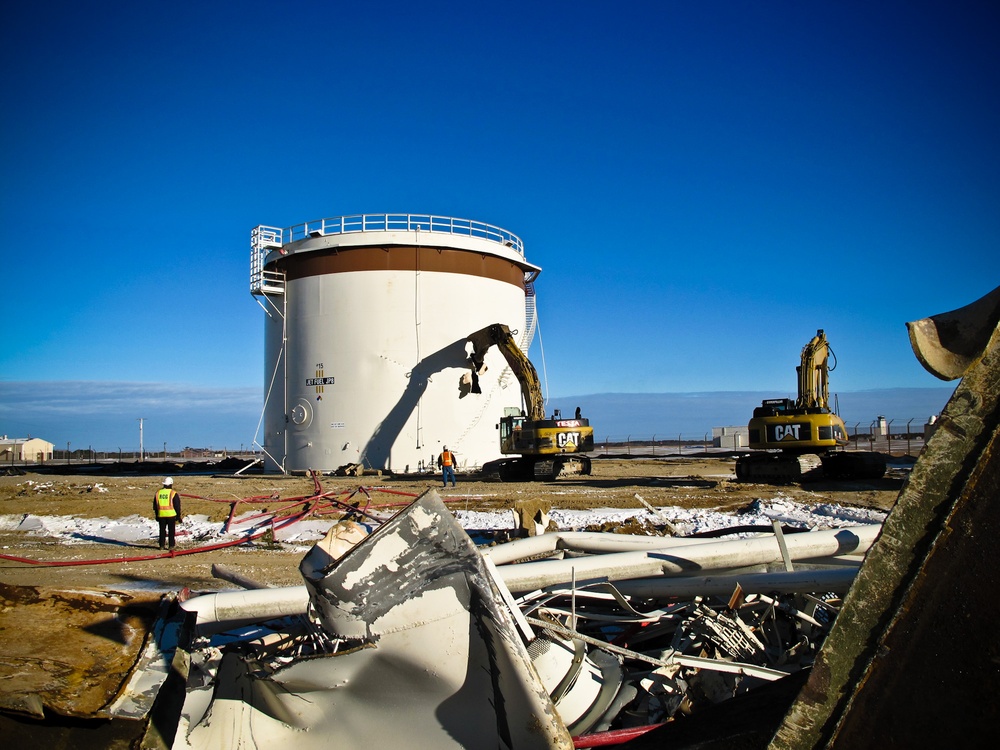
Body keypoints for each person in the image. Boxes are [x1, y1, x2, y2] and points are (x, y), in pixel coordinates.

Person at [153, 477, 182, 550]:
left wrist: (156, 515)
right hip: (171, 515)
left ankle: (161, 545)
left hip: (161, 514)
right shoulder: (173, 493)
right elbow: (177, 505)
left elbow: (155, 505)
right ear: (171, 484)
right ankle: (171, 546)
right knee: (171, 531)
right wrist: (178, 516)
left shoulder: (158, 493)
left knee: (162, 530)